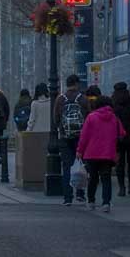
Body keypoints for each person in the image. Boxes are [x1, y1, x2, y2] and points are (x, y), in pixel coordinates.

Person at [76, 94, 125, 212]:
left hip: (91, 153)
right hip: (108, 153)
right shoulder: (114, 118)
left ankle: (91, 201)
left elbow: (84, 136)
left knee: (93, 178)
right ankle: (106, 203)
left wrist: (79, 150)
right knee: (106, 178)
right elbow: (122, 134)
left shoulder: (91, 117)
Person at [54, 74, 90, 205]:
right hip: (81, 137)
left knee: (67, 166)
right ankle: (80, 194)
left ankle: (67, 197)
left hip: (65, 137)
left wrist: (62, 129)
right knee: (80, 165)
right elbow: (88, 117)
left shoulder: (60, 99)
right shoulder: (83, 99)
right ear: (77, 84)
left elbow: (56, 119)